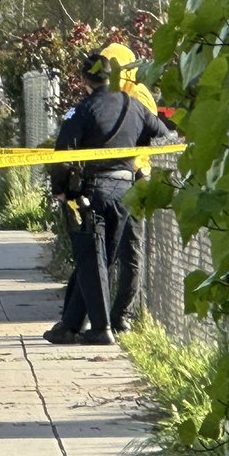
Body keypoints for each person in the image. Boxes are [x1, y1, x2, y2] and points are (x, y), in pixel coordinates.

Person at [44, 50, 167, 346]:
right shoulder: (134, 106)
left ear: (84, 78)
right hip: (126, 190)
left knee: (91, 256)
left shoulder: (83, 109)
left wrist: (60, 189)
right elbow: (162, 133)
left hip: (92, 192)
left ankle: (101, 328)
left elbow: (62, 153)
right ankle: (70, 325)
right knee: (100, 258)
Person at [100, 42, 158, 332]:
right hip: (108, 177)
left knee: (129, 248)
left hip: (134, 177)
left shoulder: (139, 96)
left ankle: (121, 314)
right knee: (105, 246)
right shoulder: (108, 97)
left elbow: (147, 135)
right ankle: (102, 312)